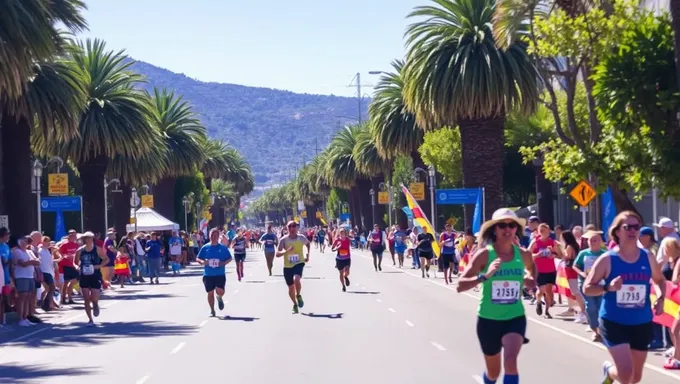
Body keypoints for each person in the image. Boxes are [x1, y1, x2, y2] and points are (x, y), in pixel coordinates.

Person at [584, 211, 666, 384]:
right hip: (614, 321)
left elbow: (659, 280)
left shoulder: (647, 257)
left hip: (641, 322)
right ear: (617, 231)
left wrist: (660, 298)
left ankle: (609, 372)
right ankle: (610, 370)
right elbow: (588, 288)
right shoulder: (607, 259)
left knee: (635, 378)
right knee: (626, 374)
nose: (632, 231)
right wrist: (608, 287)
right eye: (627, 227)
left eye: (636, 227)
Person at [457, 208, 536, 384]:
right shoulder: (485, 255)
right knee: (493, 373)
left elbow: (532, 273)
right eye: (502, 225)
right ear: (494, 229)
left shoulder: (523, 255)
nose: (507, 229)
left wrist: (529, 281)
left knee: (510, 362)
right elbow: (460, 285)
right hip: (488, 320)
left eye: (512, 225)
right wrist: (484, 276)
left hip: (515, 317)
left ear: (517, 229)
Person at [573, 230, 606, 342]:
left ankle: (601, 330)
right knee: (591, 307)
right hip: (586, 284)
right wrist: (582, 273)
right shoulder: (583, 253)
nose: (592, 242)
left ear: (600, 242)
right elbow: (575, 266)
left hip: (601, 285)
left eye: (595, 240)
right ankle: (595, 330)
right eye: (590, 240)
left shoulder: (604, 253)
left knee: (601, 307)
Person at [528, 223, 562, 318]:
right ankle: (538, 301)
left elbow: (560, 255)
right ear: (539, 232)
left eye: (546, 231)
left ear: (548, 232)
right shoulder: (535, 242)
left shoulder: (553, 242)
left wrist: (554, 255)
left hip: (550, 269)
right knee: (541, 290)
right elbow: (527, 254)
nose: (544, 233)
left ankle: (547, 311)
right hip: (539, 270)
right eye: (542, 231)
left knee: (549, 291)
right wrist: (537, 255)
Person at [74, 232, 109, 326]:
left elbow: (106, 259)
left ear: (93, 239)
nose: (88, 240)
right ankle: (90, 319)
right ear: (84, 239)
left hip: (95, 275)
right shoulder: (80, 250)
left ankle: (95, 304)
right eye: (86, 238)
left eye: (90, 238)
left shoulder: (97, 249)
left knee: (94, 297)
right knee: (86, 298)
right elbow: (75, 262)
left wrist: (99, 265)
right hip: (84, 275)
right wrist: (77, 267)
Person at [197, 228, 232, 317]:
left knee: (220, 291)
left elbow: (229, 258)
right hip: (208, 274)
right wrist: (202, 262)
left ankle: (219, 297)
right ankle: (212, 310)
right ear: (209, 236)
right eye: (212, 235)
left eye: (215, 236)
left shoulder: (222, 248)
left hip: (220, 273)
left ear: (218, 237)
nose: (213, 237)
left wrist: (223, 263)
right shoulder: (205, 247)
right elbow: (198, 258)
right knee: (210, 293)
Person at [276, 221, 310, 314]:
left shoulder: (301, 238)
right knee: (291, 288)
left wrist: (307, 255)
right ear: (287, 228)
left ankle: (298, 295)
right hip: (287, 266)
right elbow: (277, 254)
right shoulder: (283, 240)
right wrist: (286, 251)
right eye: (290, 227)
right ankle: (295, 304)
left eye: (294, 226)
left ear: (297, 228)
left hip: (299, 262)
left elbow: (308, 244)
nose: (292, 228)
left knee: (296, 279)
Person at [332, 228, 352, 292]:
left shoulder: (348, 239)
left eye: (343, 232)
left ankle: (345, 277)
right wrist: (337, 248)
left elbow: (352, 239)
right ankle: (343, 285)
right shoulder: (337, 240)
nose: (342, 233)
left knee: (347, 271)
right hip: (339, 259)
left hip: (347, 258)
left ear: (345, 233)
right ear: (339, 233)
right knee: (341, 273)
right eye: (341, 232)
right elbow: (332, 249)